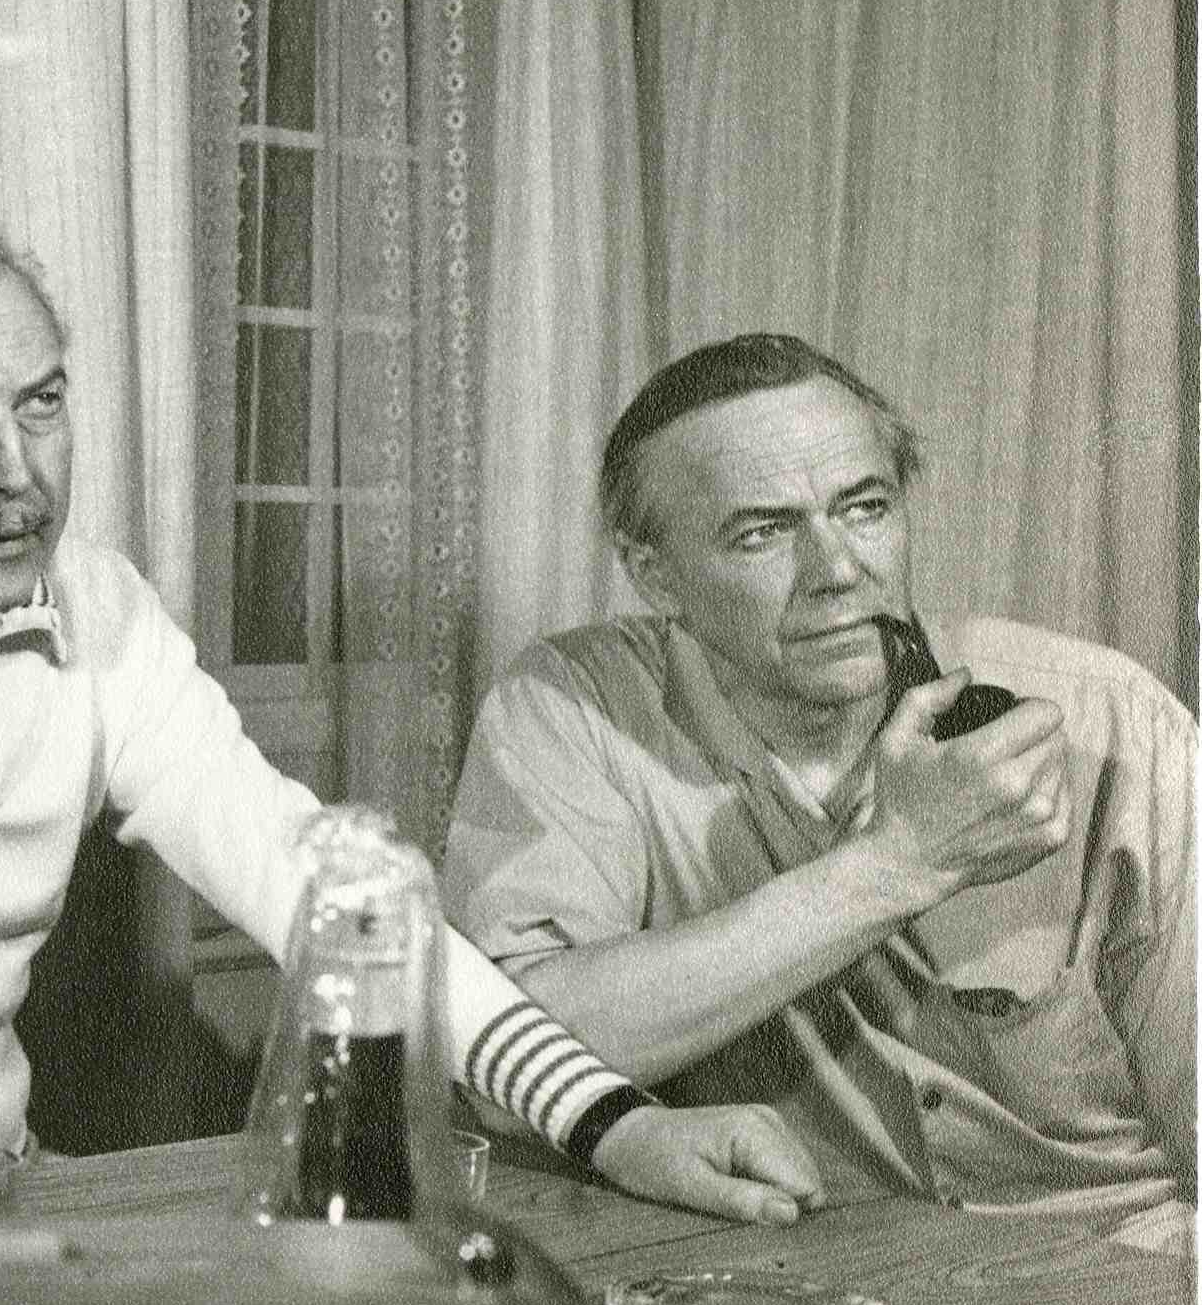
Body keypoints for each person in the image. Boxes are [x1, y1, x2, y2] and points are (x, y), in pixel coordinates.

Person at [0, 208, 818, 1223]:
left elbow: (317, 881)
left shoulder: (97, 610)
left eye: (42, 403)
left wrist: (617, 1123)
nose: (17, 470)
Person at [442, 333, 1193, 1217]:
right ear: (654, 575)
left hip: (1115, 1268)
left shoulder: (1106, 720)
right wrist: (897, 863)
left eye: (864, 508)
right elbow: (502, 1061)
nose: (838, 572)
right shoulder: (577, 705)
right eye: (761, 532)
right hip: (798, 1270)